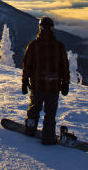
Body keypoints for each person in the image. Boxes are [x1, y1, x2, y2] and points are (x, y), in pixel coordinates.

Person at [21, 16, 70, 145]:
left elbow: (27, 65)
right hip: (53, 88)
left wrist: (24, 81)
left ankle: (30, 129)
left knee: (33, 110)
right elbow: (64, 66)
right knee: (50, 114)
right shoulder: (59, 46)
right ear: (52, 28)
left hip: (37, 86)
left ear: (40, 28)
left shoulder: (33, 45)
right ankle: (48, 137)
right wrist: (65, 83)